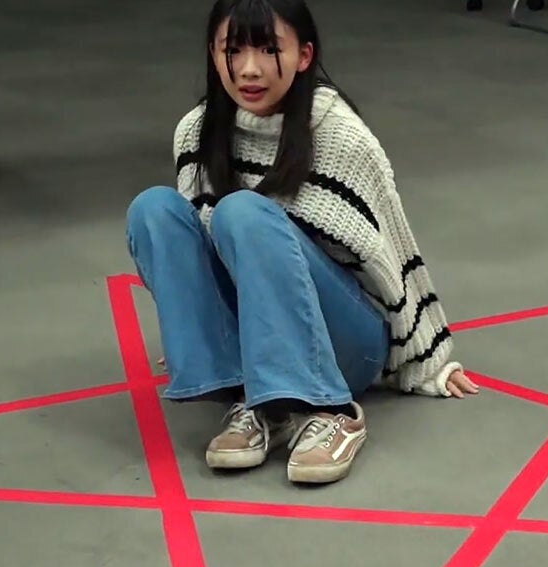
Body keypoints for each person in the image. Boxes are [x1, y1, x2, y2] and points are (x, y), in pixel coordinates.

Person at [125, 0, 479, 485]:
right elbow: (198, 249)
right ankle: (258, 402)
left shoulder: (339, 134)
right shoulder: (196, 130)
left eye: (270, 50)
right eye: (233, 50)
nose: (249, 69)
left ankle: (332, 411)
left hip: (345, 340)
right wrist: (197, 321)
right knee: (153, 209)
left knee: (242, 211)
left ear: (304, 56)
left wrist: (427, 361)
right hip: (259, 333)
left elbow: (393, 255)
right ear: (212, 54)